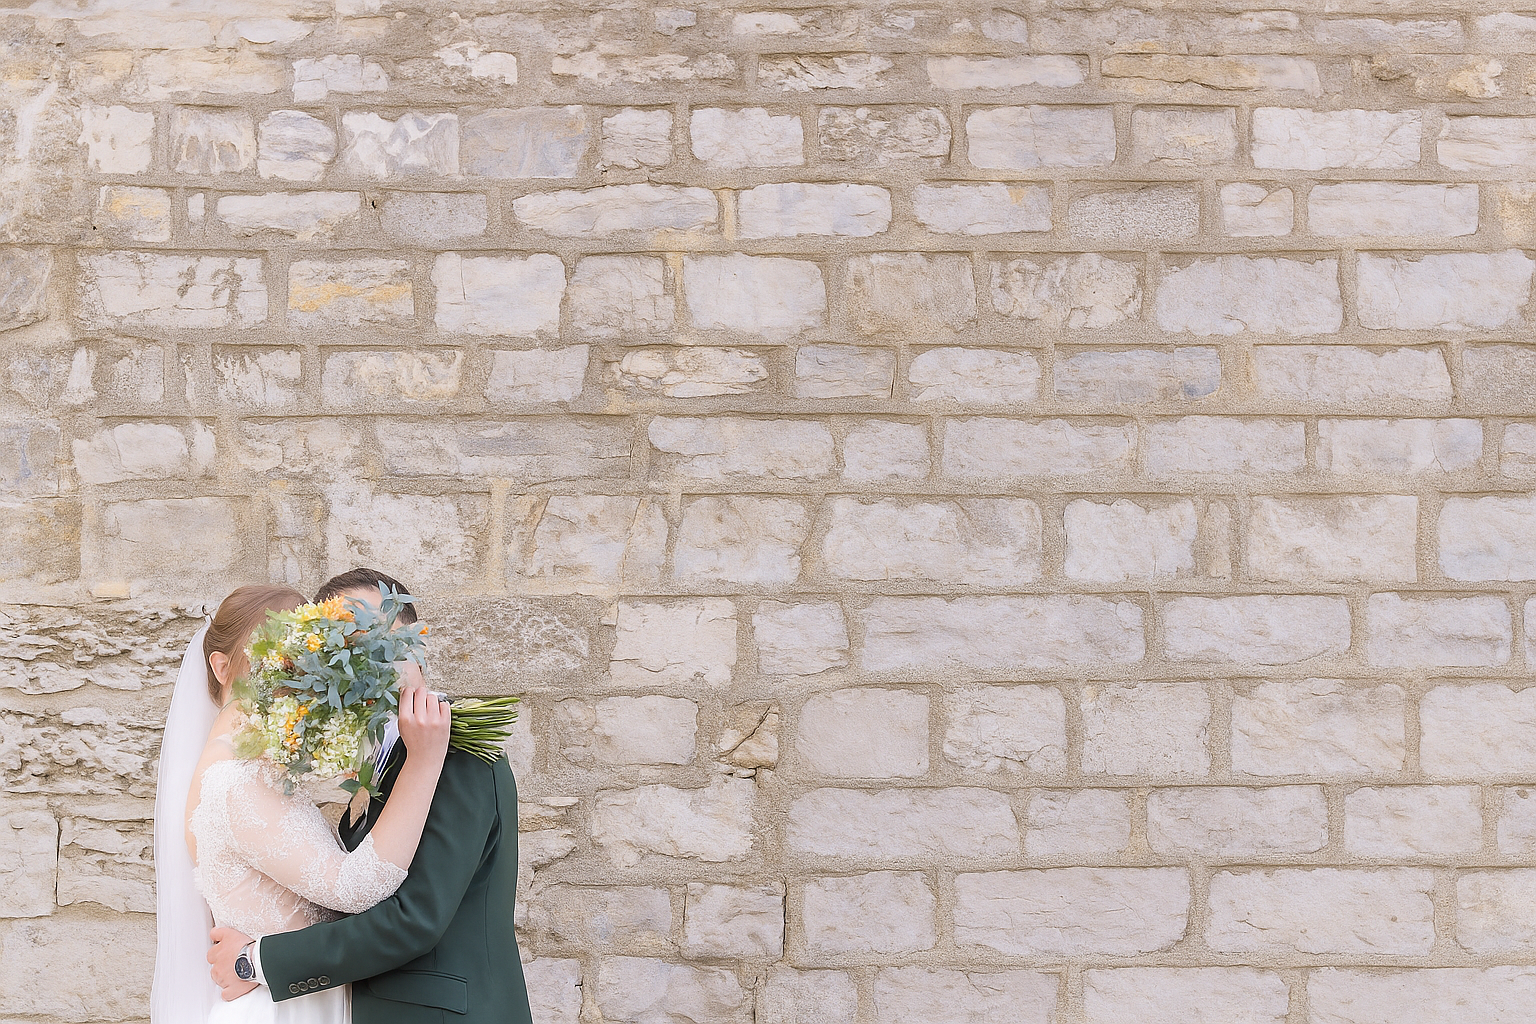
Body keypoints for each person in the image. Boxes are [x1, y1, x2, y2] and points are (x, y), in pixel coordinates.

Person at [207, 568, 533, 1024]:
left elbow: (414, 918)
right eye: (351, 643)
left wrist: (256, 961)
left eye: (384, 639)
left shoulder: (454, 751)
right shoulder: (383, 756)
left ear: (416, 646)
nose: (371, 659)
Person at [152, 583, 451, 1024]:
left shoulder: (254, 767)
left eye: (306, 656)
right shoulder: (236, 779)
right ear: (221, 666)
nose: (295, 674)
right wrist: (423, 763)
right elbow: (355, 888)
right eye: (272, 655)